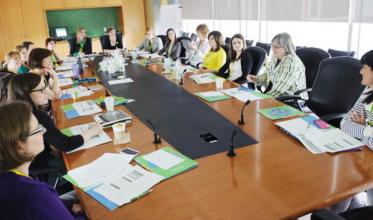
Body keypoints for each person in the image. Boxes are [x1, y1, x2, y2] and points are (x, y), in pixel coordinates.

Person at [0, 101, 84, 219]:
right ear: (19, 145)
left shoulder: (9, 175)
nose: (44, 131)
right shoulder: (34, 194)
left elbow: (48, 204)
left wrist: (71, 206)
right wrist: (80, 213)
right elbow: (42, 201)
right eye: (37, 129)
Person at [9, 73, 102, 172]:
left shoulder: (16, 111)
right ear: (26, 93)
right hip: (39, 166)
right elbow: (66, 144)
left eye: (45, 87)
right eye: (41, 90)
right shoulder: (35, 116)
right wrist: (93, 131)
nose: (47, 92)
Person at [247, 32, 306, 98]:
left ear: (286, 47)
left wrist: (262, 99)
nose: (273, 49)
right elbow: (268, 74)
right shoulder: (275, 57)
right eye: (272, 46)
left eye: (276, 47)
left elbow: (280, 90)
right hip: (277, 97)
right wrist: (256, 79)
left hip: (291, 100)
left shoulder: (292, 62)